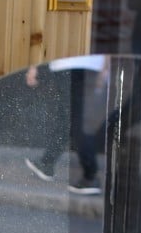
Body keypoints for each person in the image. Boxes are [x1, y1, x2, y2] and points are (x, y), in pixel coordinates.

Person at [23, 56, 110, 195]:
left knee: (73, 118)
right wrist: (105, 66)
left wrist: (34, 67)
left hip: (68, 63)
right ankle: (47, 162)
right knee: (69, 117)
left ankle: (90, 175)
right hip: (93, 65)